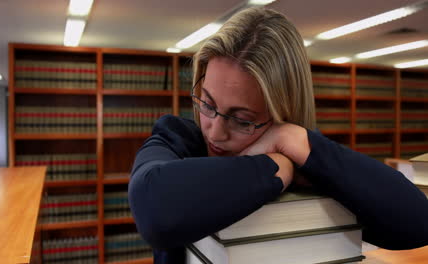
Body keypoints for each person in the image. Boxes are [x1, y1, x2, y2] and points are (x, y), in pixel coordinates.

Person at [129, 6, 428, 264]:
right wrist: (275, 168)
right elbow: (154, 210)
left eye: (241, 119)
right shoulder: (176, 137)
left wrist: (300, 146)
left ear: (282, 114)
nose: (215, 133)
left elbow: (416, 222)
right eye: (207, 103)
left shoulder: (310, 158)